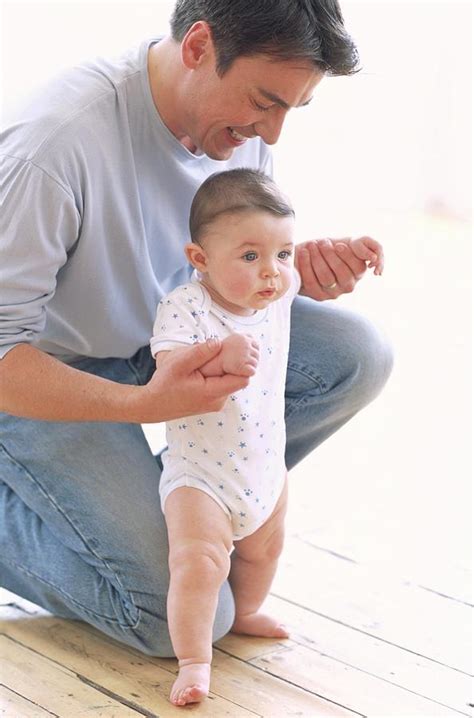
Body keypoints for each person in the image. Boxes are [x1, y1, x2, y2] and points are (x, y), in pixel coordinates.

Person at [0, 0, 393, 658]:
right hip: (46, 373)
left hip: (160, 345)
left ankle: (183, 505)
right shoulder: (53, 145)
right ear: (197, 47)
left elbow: (216, 259)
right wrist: (142, 404)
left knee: (358, 355)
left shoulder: (240, 130)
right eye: (266, 102)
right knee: (174, 617)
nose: (273, 131)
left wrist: (281, 270)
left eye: (291, 110)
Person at [150, 168, 384, 705]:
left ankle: (248, 610)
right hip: (201, 478)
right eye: (250, 256)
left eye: (281, 254)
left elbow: (310, 263)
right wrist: (214, 354)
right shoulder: (187, 307)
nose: (272, 272)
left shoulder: (276, 292)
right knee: (199, 564)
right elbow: (168, 371)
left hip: (263, 466)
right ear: (200, 259)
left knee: (264, 549)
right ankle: (193, 661)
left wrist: (353, 250)